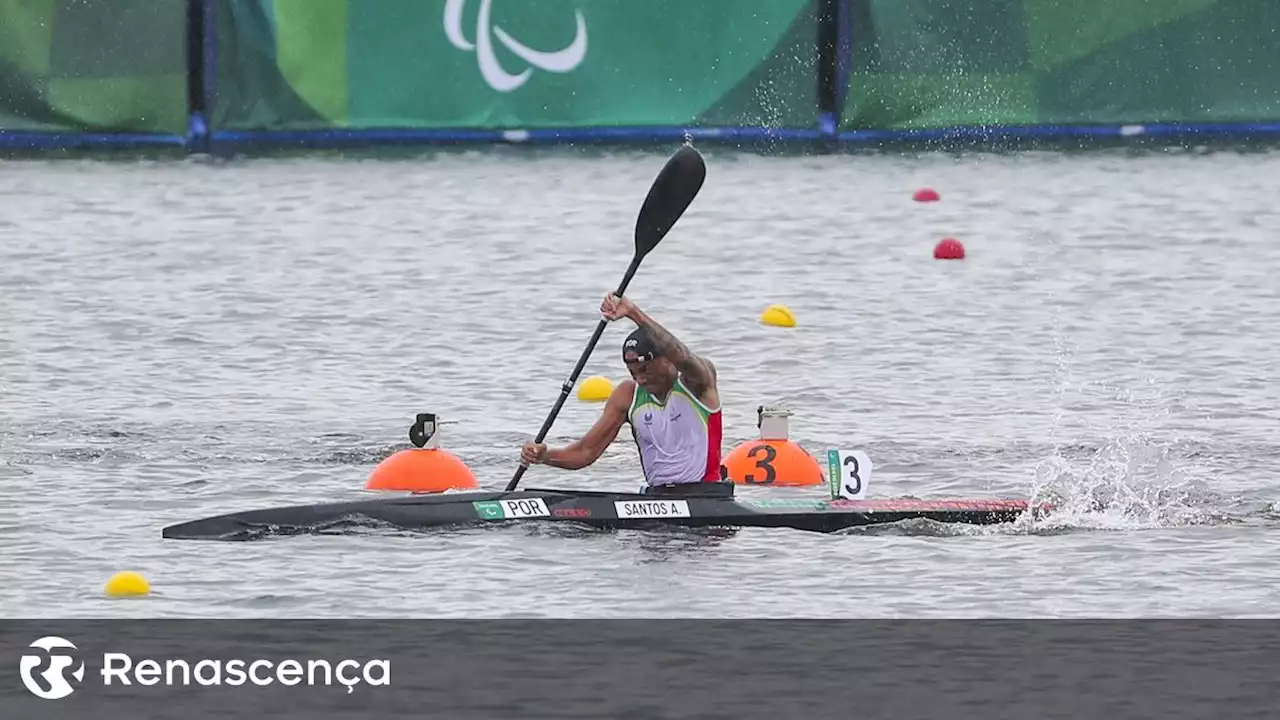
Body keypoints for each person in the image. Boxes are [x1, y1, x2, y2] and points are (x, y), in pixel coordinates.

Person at [520, 292, 725, 491]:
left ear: (667, 359)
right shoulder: (628, 395)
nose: (640, 379)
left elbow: (683, 356)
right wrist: (544, 456)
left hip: (707, 496)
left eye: (646, 369)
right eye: (633, 372)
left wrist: (633, 313)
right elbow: (585, 452)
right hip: (656, 498)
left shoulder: (698, 382)